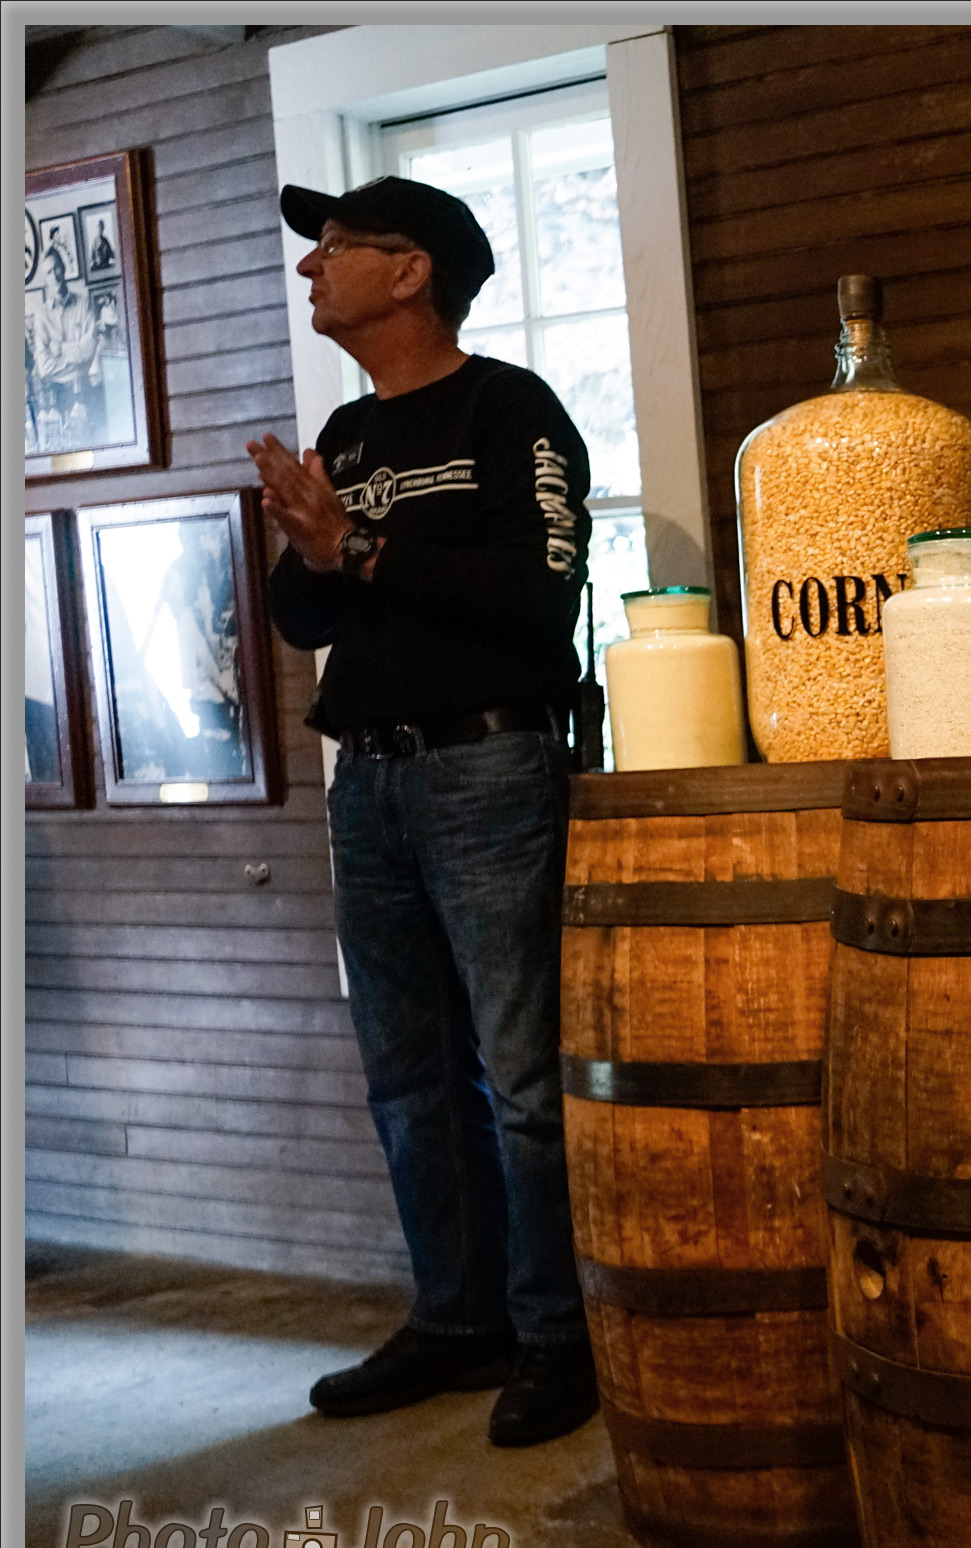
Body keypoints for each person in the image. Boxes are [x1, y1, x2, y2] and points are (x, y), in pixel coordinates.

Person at [249, 175, 597, 1447]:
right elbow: (305, 618)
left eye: (333, 249)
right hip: (371, 780)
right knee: (403, 1074)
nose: (310, 271)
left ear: (411, 272)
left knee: (518, 1073)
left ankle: (558, 1333)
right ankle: (457, 1316)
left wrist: (362, 551)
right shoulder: (344, 434)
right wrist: (303, 541)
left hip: (489, 770)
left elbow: (535, 596)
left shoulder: (512, 409)